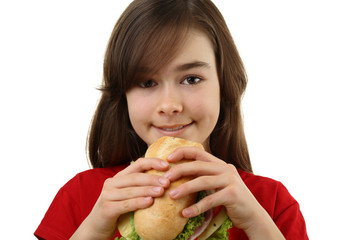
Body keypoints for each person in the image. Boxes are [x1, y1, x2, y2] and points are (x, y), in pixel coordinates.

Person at [35, 0, 308, 239]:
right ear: (123, 95)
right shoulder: (84, 196)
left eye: (191, 79)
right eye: (146, 82)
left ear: (224, 84)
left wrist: (257, 225)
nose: (169, 105)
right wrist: (92, 231)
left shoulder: (270, 203)